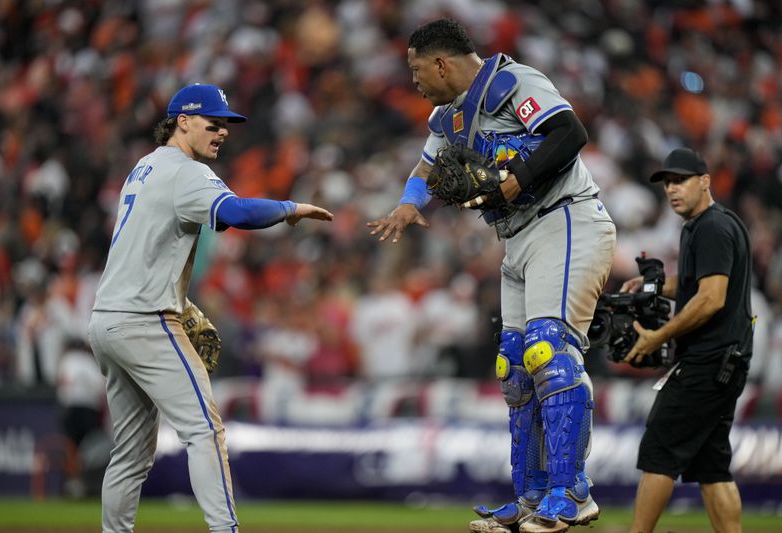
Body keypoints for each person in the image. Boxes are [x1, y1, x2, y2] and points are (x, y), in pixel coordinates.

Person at [367, 18, 615, 533]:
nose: (413, 81)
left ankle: (571, 492)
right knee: (514, 369)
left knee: (548, 350)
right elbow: (425, 170)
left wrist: (513, 182)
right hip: (518, 237)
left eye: (416, 70)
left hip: (565, 218)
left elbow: (570, 132)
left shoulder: (511, 83)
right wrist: (410, 204)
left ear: (440, 62)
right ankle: (531, 499)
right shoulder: (450, 117)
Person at [87, 83, 333, 533]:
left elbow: (147, 251)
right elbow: (236, 212)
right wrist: (289, 208)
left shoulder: (142, 167)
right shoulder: (187, 171)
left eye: (226, 125)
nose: (221, 132)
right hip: (145, 321)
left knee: (129, 453)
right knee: (205, 431)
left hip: (107, 321)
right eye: (212, 123)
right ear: (182, 121)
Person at [620, 147, 753, 533]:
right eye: (667, 183)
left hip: (709, 360)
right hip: (726, 361)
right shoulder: (708, 223)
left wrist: (659, 334)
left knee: (660, 448)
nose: (672, 189)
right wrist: (655, 284)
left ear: (705, 182)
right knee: (712, 466)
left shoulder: (712, 226)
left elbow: (711, 298)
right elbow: (698, 283)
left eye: (681, 180)